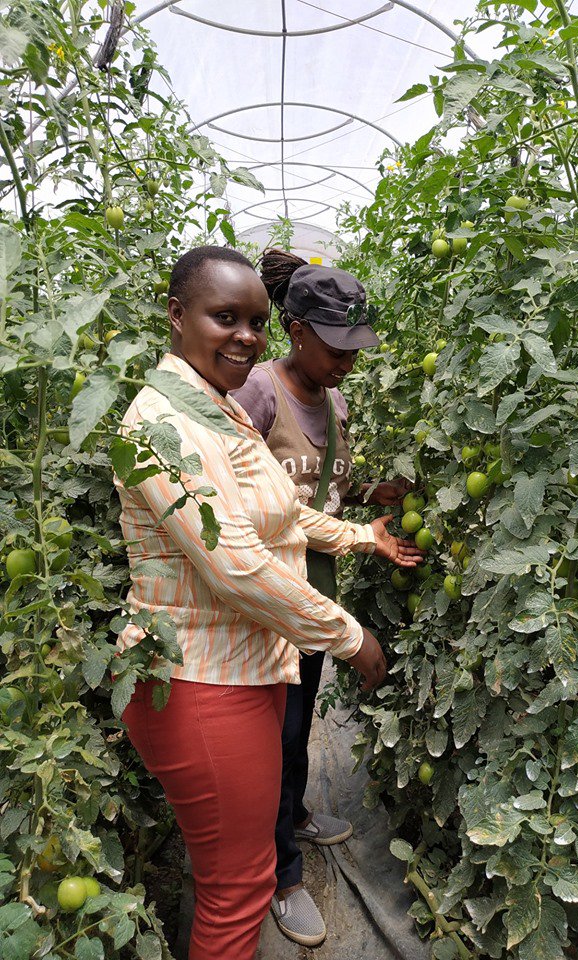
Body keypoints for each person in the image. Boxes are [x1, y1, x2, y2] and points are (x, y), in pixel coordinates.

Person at [114, 246, 422, 960]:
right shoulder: (162, 426)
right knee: (237, 894)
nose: (246, 337)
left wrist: (357, 536)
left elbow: (283, 510)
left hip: (245, 665)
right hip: (201, 683)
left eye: (253, 320)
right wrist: (350, 635)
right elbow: (239, 567)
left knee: (237, 878)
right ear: (176, 315)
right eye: (226, 317)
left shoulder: (216, 408)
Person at [231, 248, 410, 947]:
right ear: (296, 329)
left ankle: (295, 815)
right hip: (266, 600)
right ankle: (283, 876)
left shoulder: (333, 398)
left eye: (356, 350)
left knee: (298, 729)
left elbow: (324, 490)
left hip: (317, 594)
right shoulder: (257, 394)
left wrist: (372, 498)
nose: (348, 363)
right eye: (337, 348)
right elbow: (251, 511)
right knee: (274, 736)